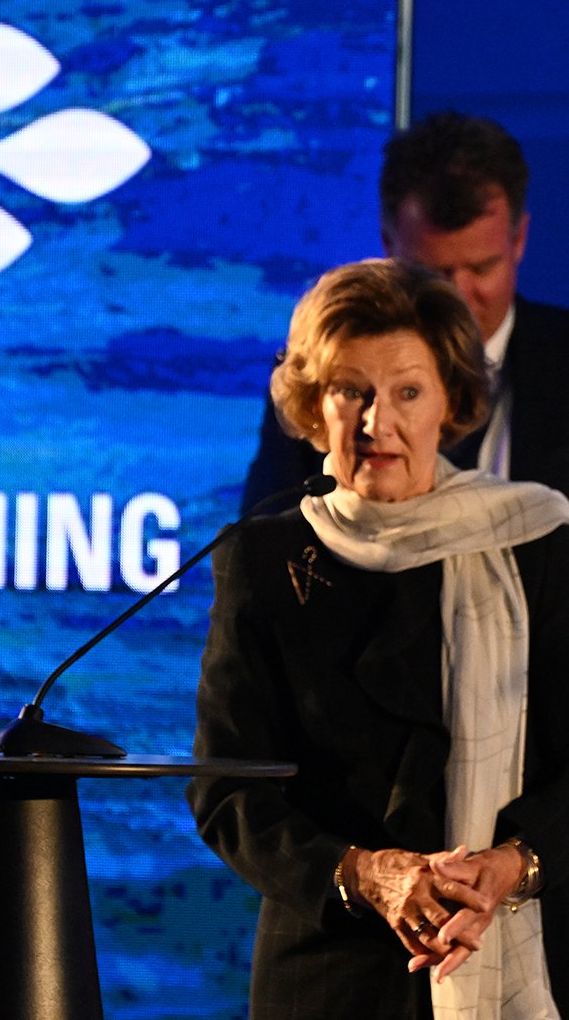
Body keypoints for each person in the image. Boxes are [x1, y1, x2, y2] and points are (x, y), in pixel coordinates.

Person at [188, 258, 569, 1019]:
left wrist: (513, 864)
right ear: (312, 404)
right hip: (328, 979)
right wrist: (362, 874)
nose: (376, 423)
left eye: (407, 392)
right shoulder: (263, 559)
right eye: (350, 390)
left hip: (514, 949)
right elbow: (224, 790)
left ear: (450, 400)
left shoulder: (539, 545)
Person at [241, 113, 569, 511]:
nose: (458, 297)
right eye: (433, 273)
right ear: (388, 243)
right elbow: (267, 529)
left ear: (519, 239)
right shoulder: (320, 367)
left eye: (482, 268)